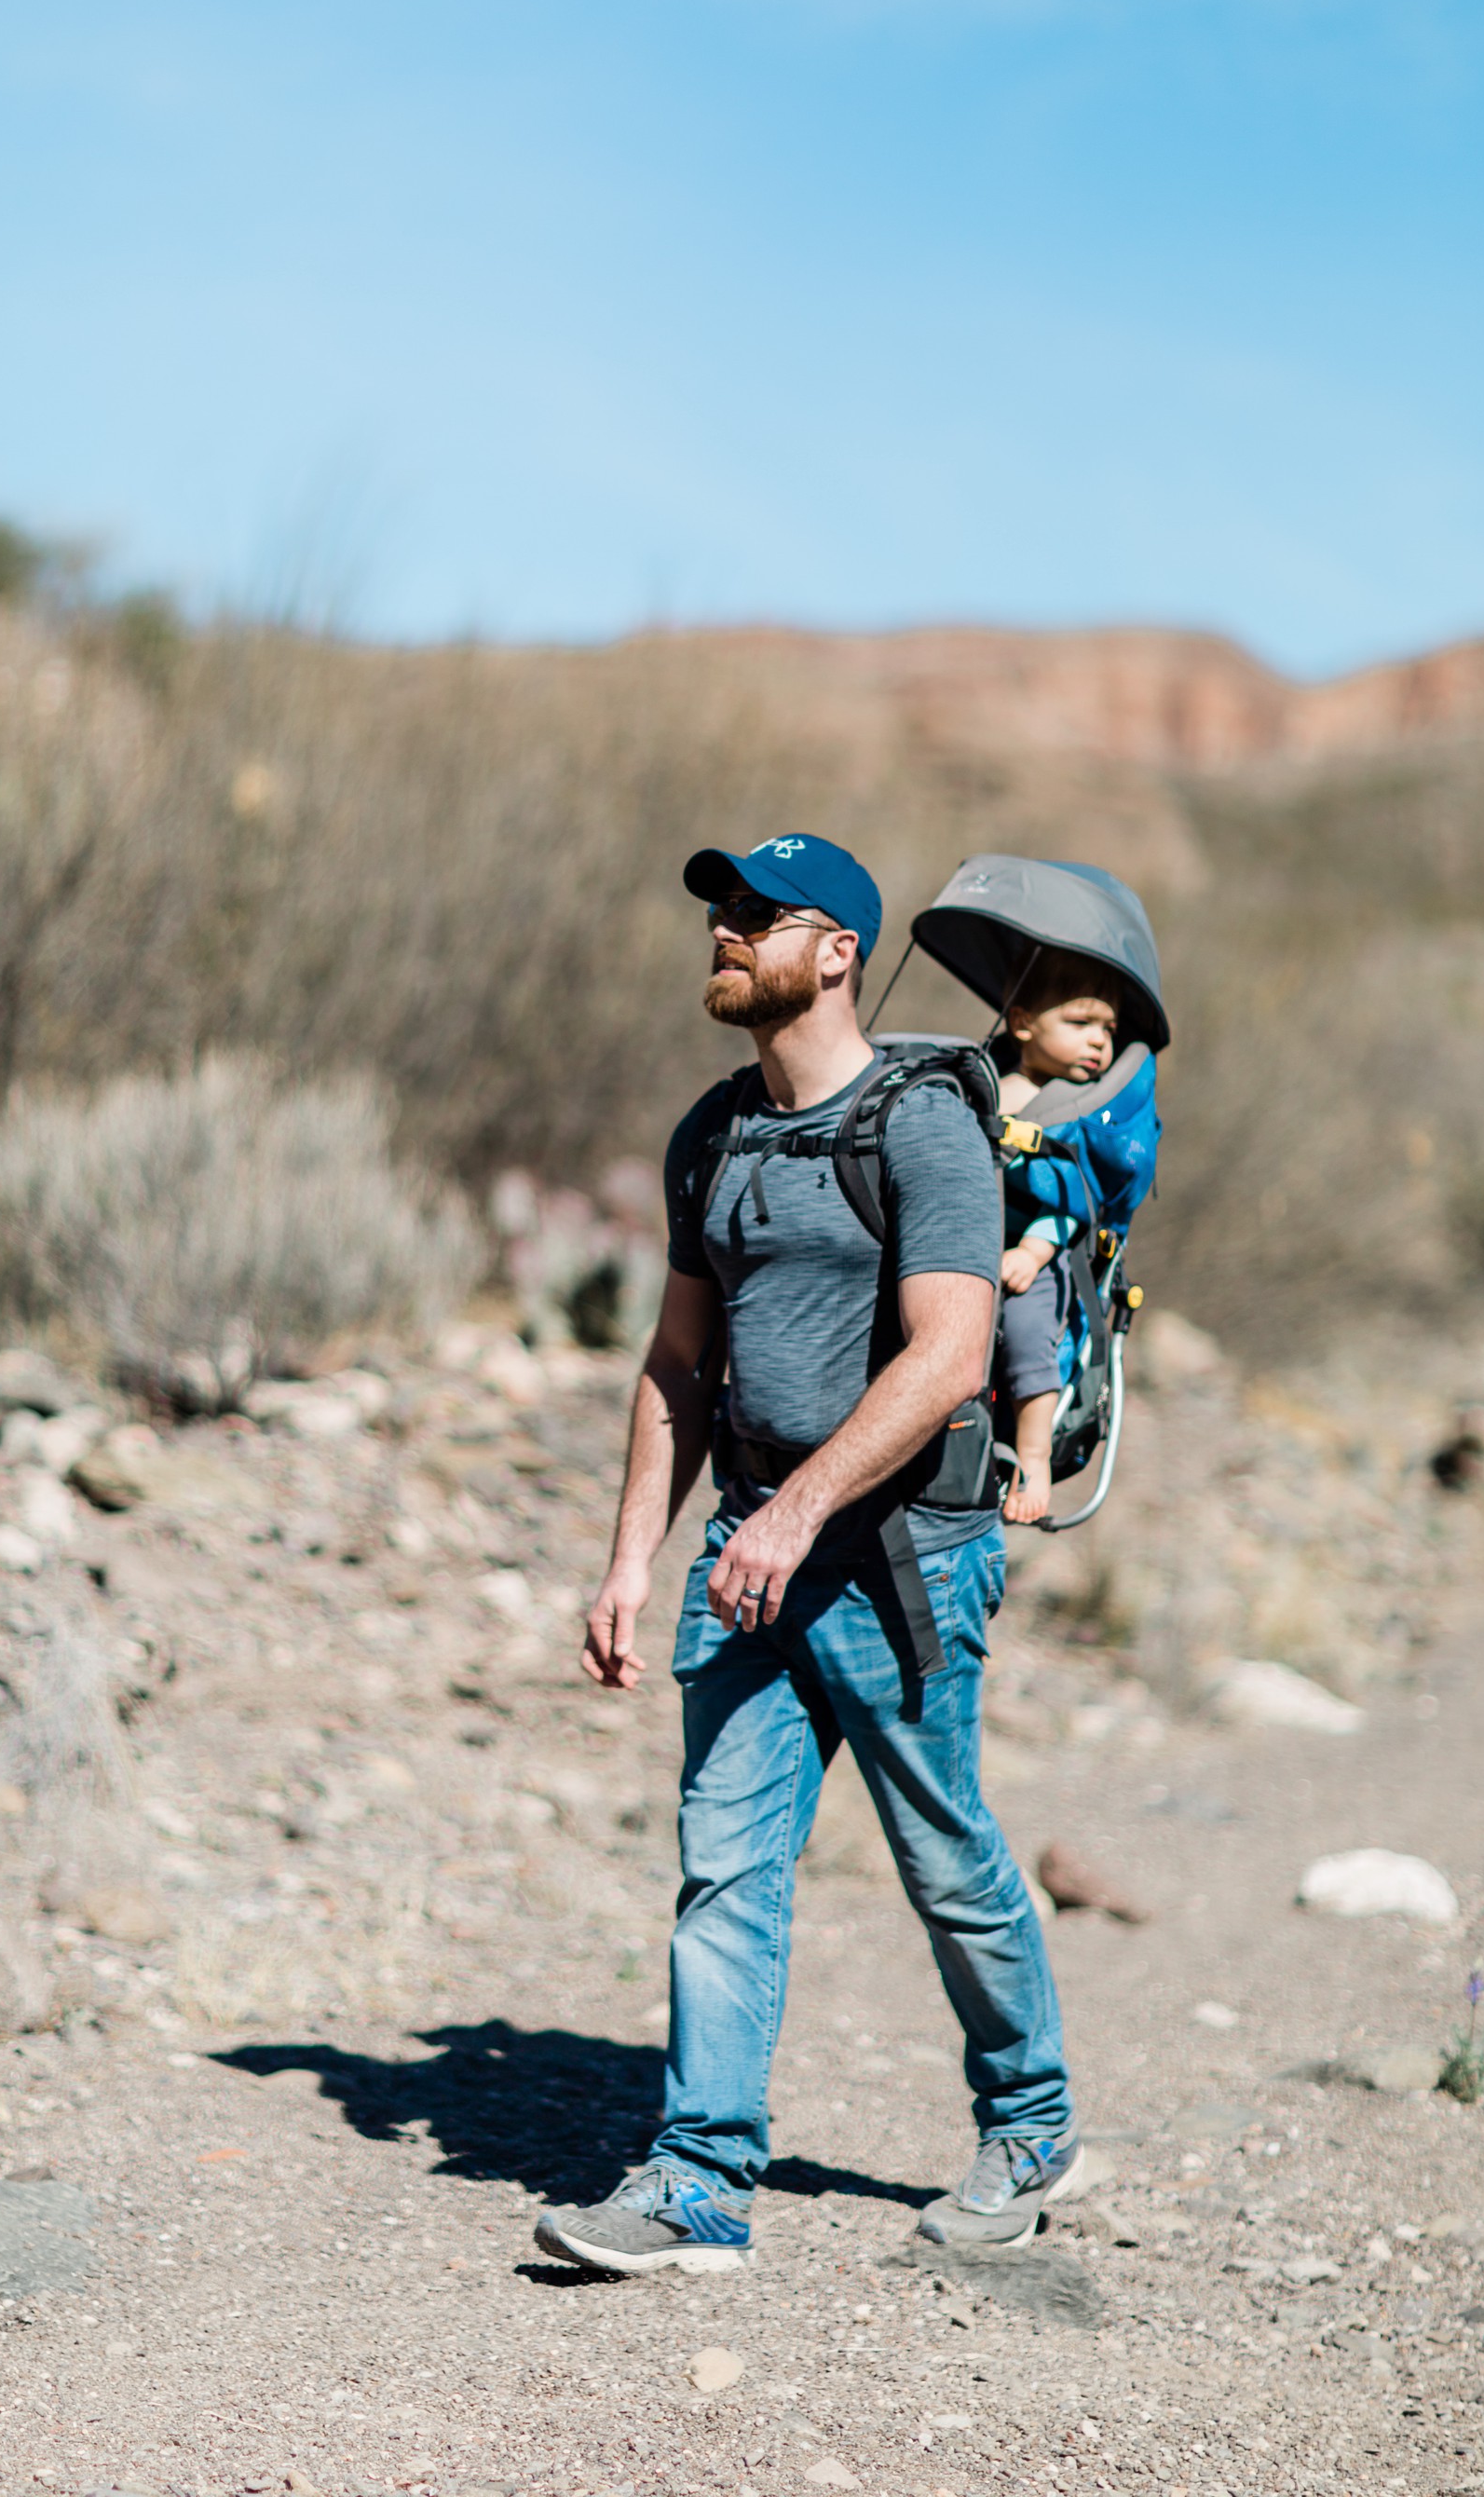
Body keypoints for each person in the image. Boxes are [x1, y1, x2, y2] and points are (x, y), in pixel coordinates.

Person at [534, 833, 1081, 2277]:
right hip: (743, 1553)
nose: (722, 932)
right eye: (715, 912)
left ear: (836, 949)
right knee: (725, 1866)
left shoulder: (923, 1125)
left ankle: (1029, 2123)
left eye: (754, 916)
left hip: (900, 1554)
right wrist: (631, 1562)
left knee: (941, 1851)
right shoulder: (709, 1133)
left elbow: (954, 1355)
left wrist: (796, 1513)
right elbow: (675, 1362)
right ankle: (699, 2180)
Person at [993, 952, 1122, 1526]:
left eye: (1108, 1030)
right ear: (1023, 1023)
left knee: (1027, 1333)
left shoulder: (1079, 1115)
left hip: (1037, 1257)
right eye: (1080, 1023)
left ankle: (1034, 1457)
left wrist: (1034, 1251)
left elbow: (1076, 1202)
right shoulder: (1001, 1088)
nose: (1098, 1042)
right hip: (971, 1237)